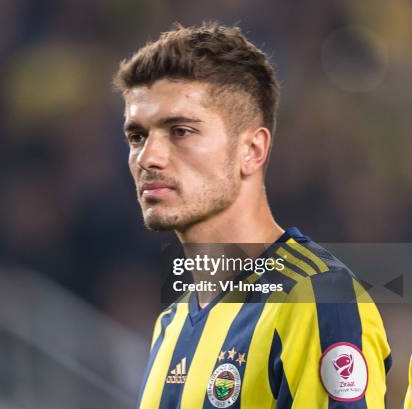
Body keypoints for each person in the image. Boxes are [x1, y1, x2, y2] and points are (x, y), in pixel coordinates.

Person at [113, 22, 391, 409]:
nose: (148, 157)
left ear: (253, 150)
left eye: (180, 131)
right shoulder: (171, 324)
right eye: (137, 136)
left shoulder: (316, 300)